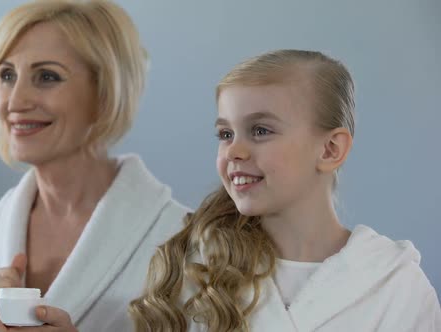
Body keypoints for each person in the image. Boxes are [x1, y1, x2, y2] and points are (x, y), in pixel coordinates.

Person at [0, 1, 189, 331]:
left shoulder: (185, 243)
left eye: (47, 76)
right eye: (7, 75)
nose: (15, 102)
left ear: (105, 93)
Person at [130, 49, 441, 331]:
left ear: (330, 149)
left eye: (261, 130)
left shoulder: (396, 289)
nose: (233, 151)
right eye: (225, 133)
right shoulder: (195, 275)